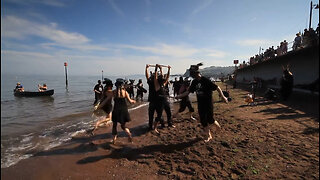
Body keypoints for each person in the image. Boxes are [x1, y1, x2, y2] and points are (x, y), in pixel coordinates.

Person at [176, 63, 228, 143]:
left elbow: (217, 87)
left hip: (208, 103)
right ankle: (208, 135)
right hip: (200, 104)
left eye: (191, 73)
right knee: (203, 120)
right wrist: (179, 96)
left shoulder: (205, 80)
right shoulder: (194, 82)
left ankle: (218, 127)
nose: (191, 75)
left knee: (210, 120)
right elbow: (188, 92)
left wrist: (223, 96)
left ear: (196, 73)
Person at [109, 78, 136, 144]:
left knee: (114, 126)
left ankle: (114, 140)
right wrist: (134, 101)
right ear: (122, 85)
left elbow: (107, 97)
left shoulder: (113, 92)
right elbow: (130, 101)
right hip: (124, 111)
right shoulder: (125, 92)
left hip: (116, 110)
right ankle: (129, 134)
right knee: (123, 126)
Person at [145, 64, 165, 131]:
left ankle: (151, 126)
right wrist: (160, 69)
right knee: (159, 113)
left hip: (152, 101)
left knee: (151, 115)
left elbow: (147, 76)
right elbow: (161, 77)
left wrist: (146, 68)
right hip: (157, 100)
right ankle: (162, 124)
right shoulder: (158, 83)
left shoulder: (151, 82)